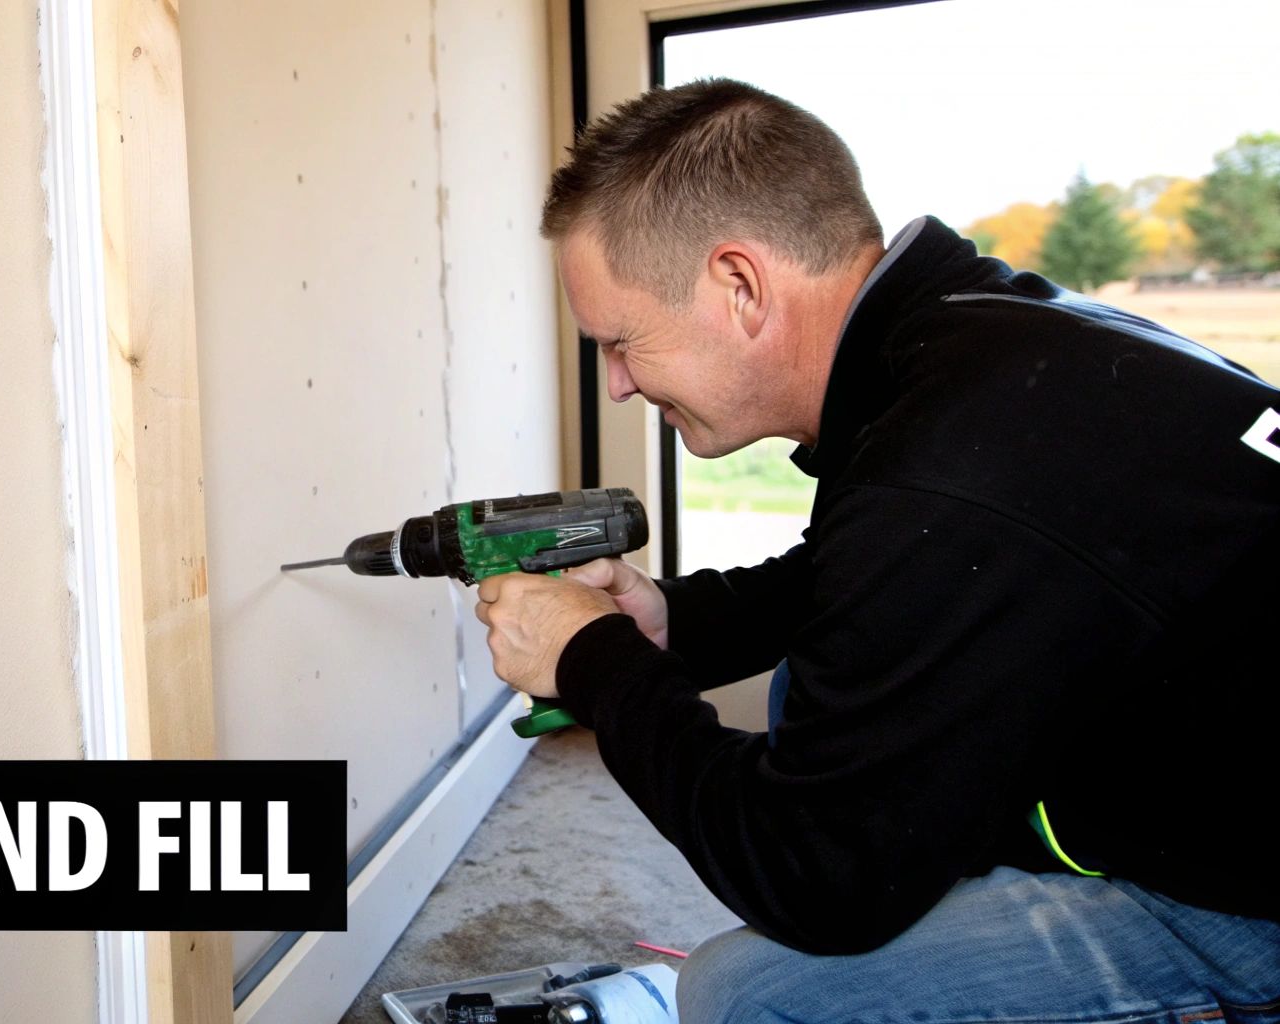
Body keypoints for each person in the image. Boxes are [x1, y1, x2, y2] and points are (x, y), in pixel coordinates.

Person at [472, 78, 1280, 1023]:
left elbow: (815, 880)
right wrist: (668, 622)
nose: (615, 386)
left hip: (1247, 898)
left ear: (740, 285)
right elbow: (877, 575)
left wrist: (592, 663)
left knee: (752, 995)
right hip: (1220, 769)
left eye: (622, 343)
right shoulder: (977, 340)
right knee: (808, 693)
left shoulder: (950, 466)